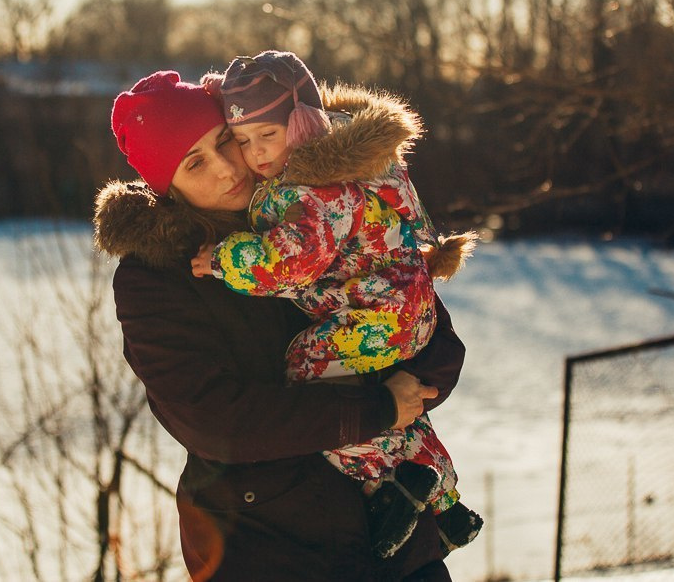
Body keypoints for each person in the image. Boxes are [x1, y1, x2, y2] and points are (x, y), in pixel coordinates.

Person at [94, 69, 466, 581]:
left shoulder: (313, 204)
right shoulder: (157, 278)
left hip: (402, 555)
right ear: (169, 187)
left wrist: (420, 384)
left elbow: (431, 331)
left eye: (226, 141)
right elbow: (217, 423)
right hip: (272, 551)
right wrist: (380, 407)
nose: (227, 169)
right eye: (195, 162)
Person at [189, 51, 481, 559]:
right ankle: (447, 502)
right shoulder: (348, 161)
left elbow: (288, 264)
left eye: (268, 136)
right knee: (396, 402)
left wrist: (223, 259)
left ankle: (391, 487)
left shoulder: (318, 189)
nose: (256, 154)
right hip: (398, 304)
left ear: (301, 122)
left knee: (310, 371)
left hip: (381, 314)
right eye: (243, 141)